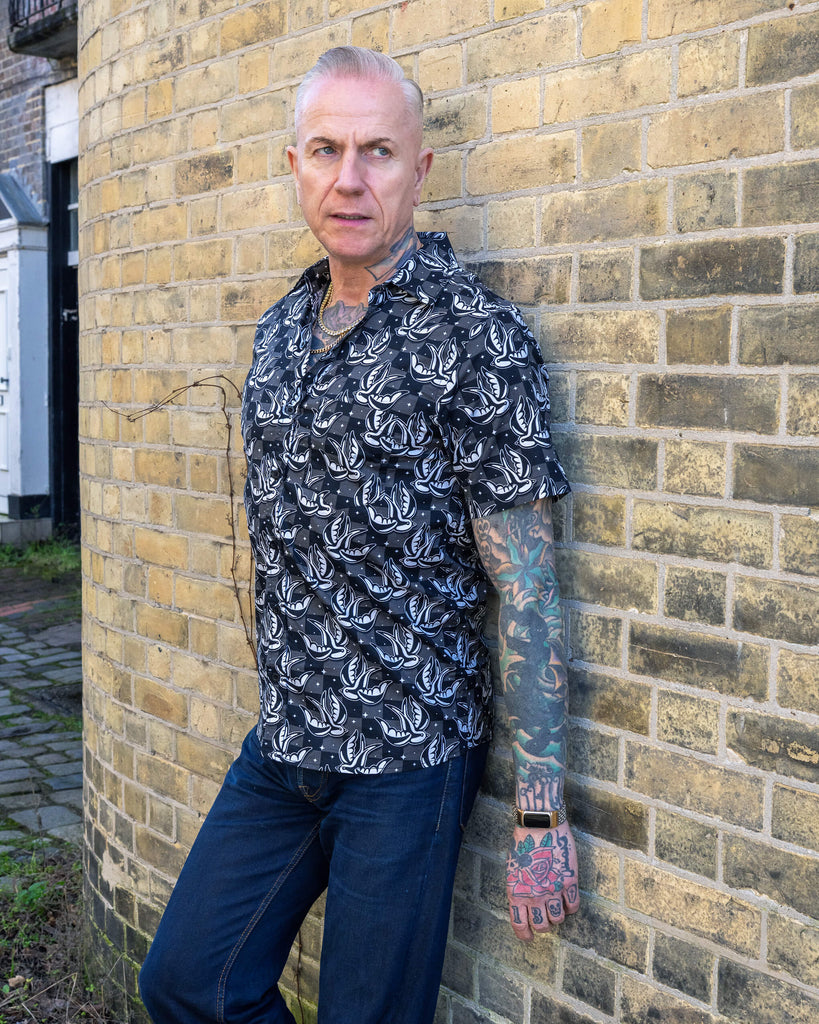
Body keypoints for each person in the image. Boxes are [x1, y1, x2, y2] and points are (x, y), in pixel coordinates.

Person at [139, 46, 579, 1024]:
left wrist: (543, 807)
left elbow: (532, 587)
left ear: (419, 170)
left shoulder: (474, 336)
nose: (349, 177)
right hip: (288, 742)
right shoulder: (280, 329)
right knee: (184, 981)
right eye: (326, 149)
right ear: (291, 162)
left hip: (406, 757)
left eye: (378, 151)